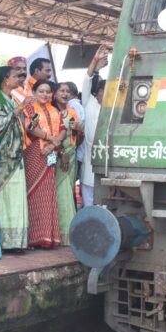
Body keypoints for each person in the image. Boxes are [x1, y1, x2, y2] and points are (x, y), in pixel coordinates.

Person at [0, 65, 30, 252]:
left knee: (16, 198)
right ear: (5, 79)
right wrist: (19, 109)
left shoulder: (12, 99)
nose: (18, 79)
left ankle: (16, 242)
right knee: (3, 197)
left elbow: (18, 124)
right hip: (4, 157)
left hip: (17, 155)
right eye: (15, 76)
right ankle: (2, 241)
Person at [23, 79, 64, 248]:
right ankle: (35, 237)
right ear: (34, 92)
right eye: (41, 91)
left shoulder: (54, 110)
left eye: (48, 92)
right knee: (34, 192)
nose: (45, 94)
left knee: (49, 192)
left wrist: (53, 145)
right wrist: (49, 138)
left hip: (51, 153)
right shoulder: (30, 108)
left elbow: (62, 130)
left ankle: (48, 236)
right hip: (35, 153)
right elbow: (30, 128)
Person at [53, 81, 83, 244]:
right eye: (61, 91)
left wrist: (78, 129)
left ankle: (68, 233)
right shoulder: (51, 111)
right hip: (55, 156)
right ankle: (59, 233)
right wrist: (61, 153)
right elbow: (50, 136)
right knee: (58, 193)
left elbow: (79, 139)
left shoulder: (72, 112)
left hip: (71, 157)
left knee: (68, 192)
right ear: (54, 94)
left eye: (67, 91)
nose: (65, 94)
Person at [80, 45, 109, 207]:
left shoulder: (113, 110)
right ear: (97, 92)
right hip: (88, 165)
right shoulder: (88, 102)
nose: (108, 94)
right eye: (105, 91)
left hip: (107, 166)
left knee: (105, 205)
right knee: (88, 205)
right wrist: (95, 61)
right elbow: (87, 78)